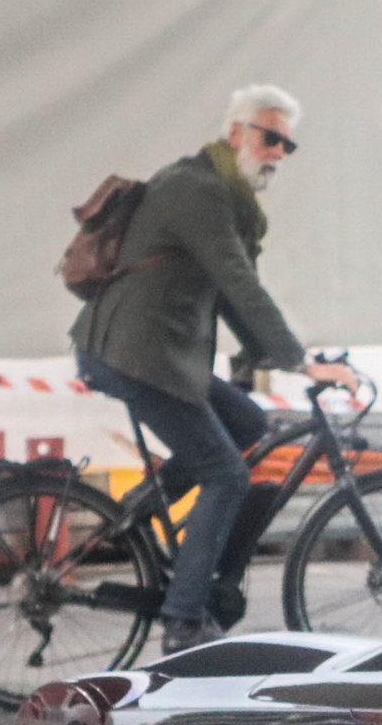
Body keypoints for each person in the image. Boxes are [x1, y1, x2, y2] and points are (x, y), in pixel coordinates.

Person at [70, 84, 357, 654]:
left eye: (286, 146)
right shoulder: (196, 190)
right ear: (235, 133)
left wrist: (263, 365)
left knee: (249, 425)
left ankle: (144, 511)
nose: (277, 152)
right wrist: (300, 361)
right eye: (269, 138)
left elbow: (226, 296)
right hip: (135, 353)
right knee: (226, 475)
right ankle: (182, 620)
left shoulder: (223, 196)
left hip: (162, 352)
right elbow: (237, 282)